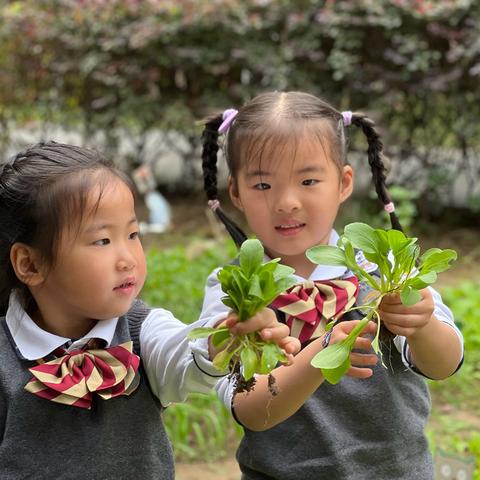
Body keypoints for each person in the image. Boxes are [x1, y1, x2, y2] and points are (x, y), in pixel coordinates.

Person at [199, 91, 464, 479]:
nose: (287, 202)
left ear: (343, 183)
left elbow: (443, 365)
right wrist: (322, 355)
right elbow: (252, 409)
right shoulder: (236, 290)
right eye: (262, 186)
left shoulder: (380, 266)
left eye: (308, 180)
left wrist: (421, 323)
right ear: (235, 192)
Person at [0, 141, 300, 480]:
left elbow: (184, 351)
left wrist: (227, 336)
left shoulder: (141, 333)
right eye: (102, 241)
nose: (128, 258)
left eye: (132, 234)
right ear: (30, 264)